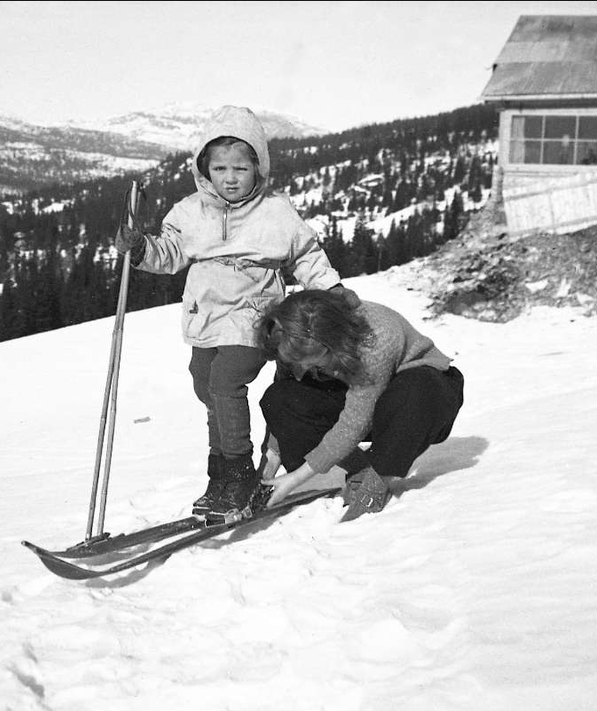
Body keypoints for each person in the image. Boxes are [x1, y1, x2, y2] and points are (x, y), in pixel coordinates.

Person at [114, 105, 354, 524]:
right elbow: (168, 252)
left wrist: (333, 291)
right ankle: (221, 476)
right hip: (205, 315)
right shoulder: (190, 211)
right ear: (204, 169)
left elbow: (306, 255)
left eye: (240, 168)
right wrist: (139, 248)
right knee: (207, 388)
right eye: (220, 167)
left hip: (253, 313)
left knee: (226, 382)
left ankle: (241, 475)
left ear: (258, 168)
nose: (229, 177)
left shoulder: (276, 212)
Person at [255, 289, 464, 521]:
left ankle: (378, 479)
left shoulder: (376, 337)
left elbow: (354, 422)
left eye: (311, 363)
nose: (301, 370)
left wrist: (295, 478)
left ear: (332, 345)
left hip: (422, 403)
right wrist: (271, 460)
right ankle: (361, 468)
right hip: (360, 400)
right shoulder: (291, 337)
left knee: (416, 388)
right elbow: (286, 401)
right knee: (280, 397)